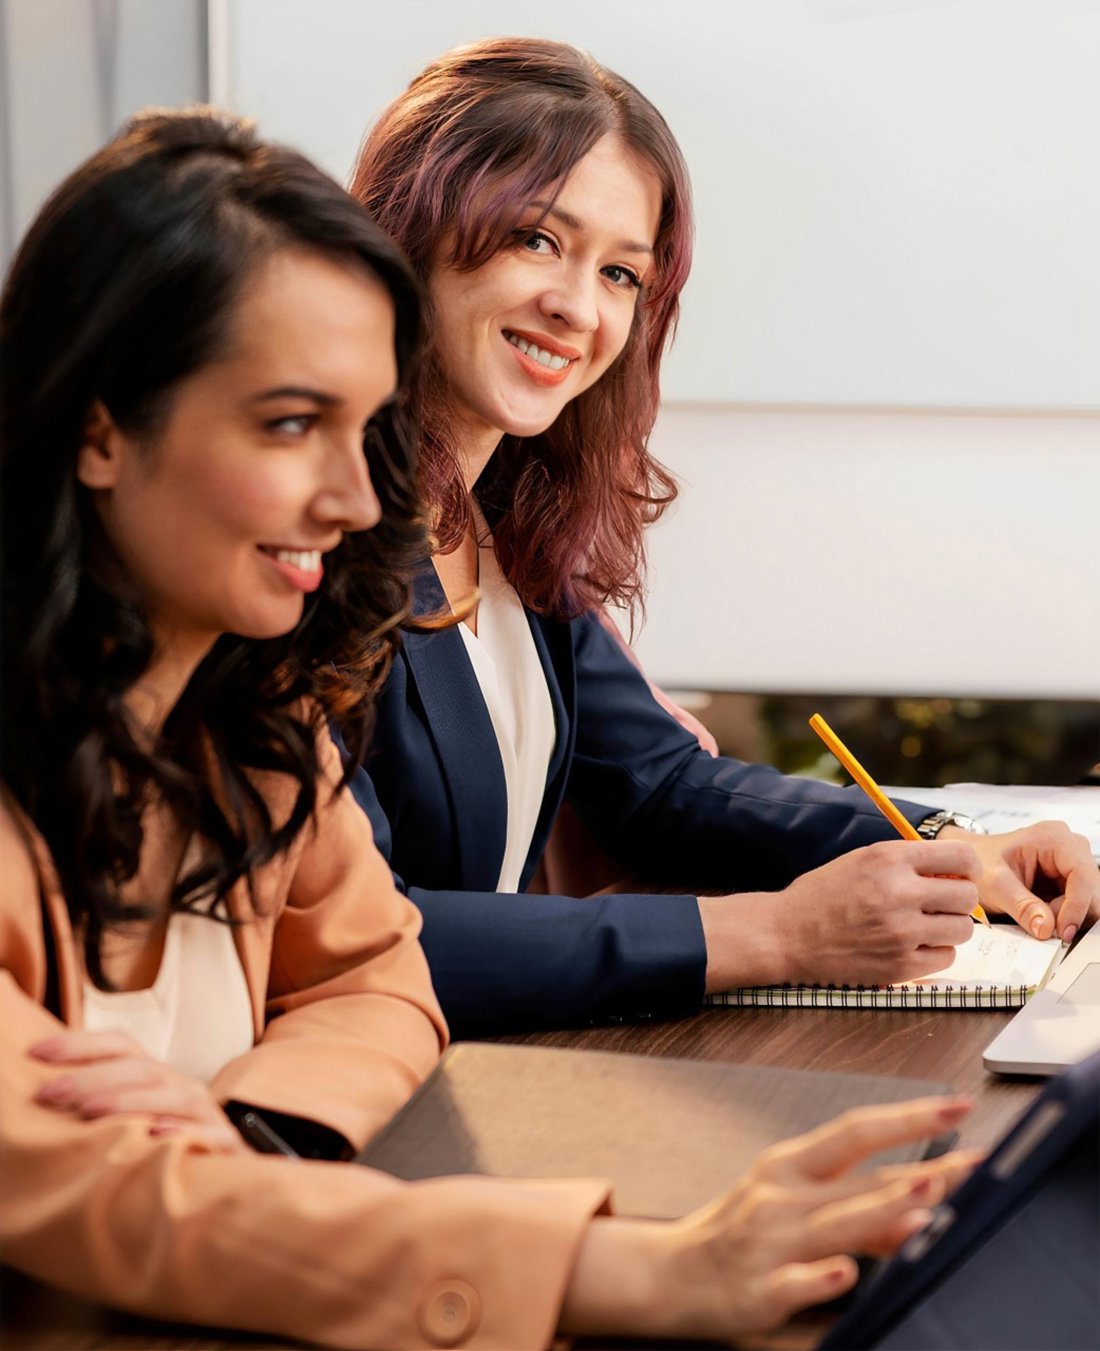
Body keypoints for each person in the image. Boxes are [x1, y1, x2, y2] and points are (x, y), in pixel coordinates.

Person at [1, 106, 980, 1350]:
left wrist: (255, 1126)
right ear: (98, 429)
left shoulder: (246, 726)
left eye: (362, 429)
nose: (355, 497)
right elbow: (107, 1191)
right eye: (290, 424)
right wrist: (628, 1268)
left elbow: (374, 975)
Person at [346, 36, 1100, 1036]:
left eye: (621, 272)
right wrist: (772, 934)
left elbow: (661, 784)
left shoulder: (510, 525)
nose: (577, 307)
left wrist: (956, 847)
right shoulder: (311, 541)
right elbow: (362, 936)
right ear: (412, 230)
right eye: (536, 238)